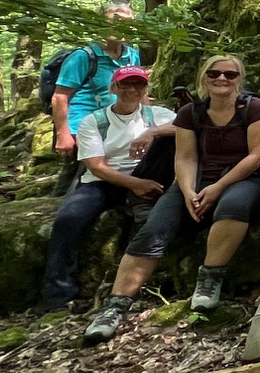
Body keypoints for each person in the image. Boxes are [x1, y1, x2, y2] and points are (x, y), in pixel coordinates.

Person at [82, 55, 260, 344]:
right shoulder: (190, 113)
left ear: (239, 79)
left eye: (230, 75)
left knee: (233, 206)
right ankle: (116, 305)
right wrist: (186, 191)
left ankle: (209, 278)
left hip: (244, 178)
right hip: (196, 179)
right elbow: (185, 156)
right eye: (214, 74)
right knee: (155, 227)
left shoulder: (254, 108)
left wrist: (219, 186)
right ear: (204, 77)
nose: (222, 79)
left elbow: (257, 155)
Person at [43, 65, 172, 312]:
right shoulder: (95, 120)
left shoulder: (159, 115)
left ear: (146, 88)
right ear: (113, 88)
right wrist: (136, 185)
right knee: (67, 221)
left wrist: (152, 132)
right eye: (125, 84)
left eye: (139, 84)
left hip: (148, 175)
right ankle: (59, 295)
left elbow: (189, 130)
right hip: (104, 182)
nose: (132, 90)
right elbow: (96, 166)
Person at [50, 4, 143, 162]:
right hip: (81, 128)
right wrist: (63, 134)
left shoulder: (132, 56)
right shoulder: (83, 57)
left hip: (117, 129)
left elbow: (140, 93)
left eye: (127, 24)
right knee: (75, 179)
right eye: (115, 21)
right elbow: (60, 97)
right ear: (99, 24)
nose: (121, 27)